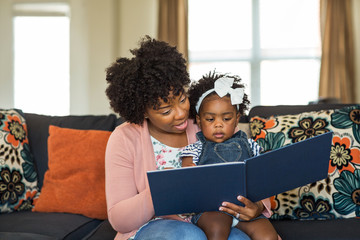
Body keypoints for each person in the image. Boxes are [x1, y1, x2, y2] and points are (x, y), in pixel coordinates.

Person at [105, 36, 272, 240]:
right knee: (189, 235)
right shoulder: (124, 138)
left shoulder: (204, 121)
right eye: (166, 111)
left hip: (214, 220)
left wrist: (256, 206)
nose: (181, 113)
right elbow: (119, 220)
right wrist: (159, 190)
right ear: (143, 112)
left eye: (182, 99)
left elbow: (246, 165)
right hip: (154, 227)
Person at [180, 72, 279, 240]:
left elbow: (263, 173)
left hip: (244, 208)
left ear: (237, 119)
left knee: (268, 236)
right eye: (210, 119)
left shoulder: (250, 145)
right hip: (211, 210)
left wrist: (271, 162)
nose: (218, 124)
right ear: (199, 120)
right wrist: (190, 172)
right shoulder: (195, 148)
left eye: (226, 118)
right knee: (217, 229)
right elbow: (187, 176)